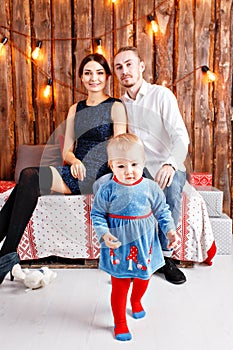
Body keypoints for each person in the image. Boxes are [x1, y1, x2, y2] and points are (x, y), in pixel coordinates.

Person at [0, 53, 127, 285]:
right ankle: (6, 256)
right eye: (88, 73)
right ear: (81, 77)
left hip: (99, 172)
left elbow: (119, 145)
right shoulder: (75, 109)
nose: (94, 78)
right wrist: (75, 161)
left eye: (99, 73)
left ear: (107, 76)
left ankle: (5, 255)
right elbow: (68, 149)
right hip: (76, 171)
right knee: (29, 177)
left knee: (28, 180)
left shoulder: (116, 106)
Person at [113, 46, 190, 284]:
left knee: (169, 189)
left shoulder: (161, 95)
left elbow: (181, 137)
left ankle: (166, 257)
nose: (124, 70)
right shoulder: (121, 104)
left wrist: (170, 164)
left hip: (168, 163)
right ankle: (134, 254)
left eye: (129, 64)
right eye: (119, 67)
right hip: (140, 168)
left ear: (141, 67)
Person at [91, 133, 177, 341]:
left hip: (145, 243)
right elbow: (97, 214)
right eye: (121, 166)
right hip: (119, 245)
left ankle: (136, 300)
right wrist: (104, 233)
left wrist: (170, 230)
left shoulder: (151, 187)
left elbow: (163, 211)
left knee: (143, 278)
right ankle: (120, 322)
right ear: (112, 166)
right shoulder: (107, 189)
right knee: (120, 284)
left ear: (143, 162)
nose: (128, 171)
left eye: (134, 164)